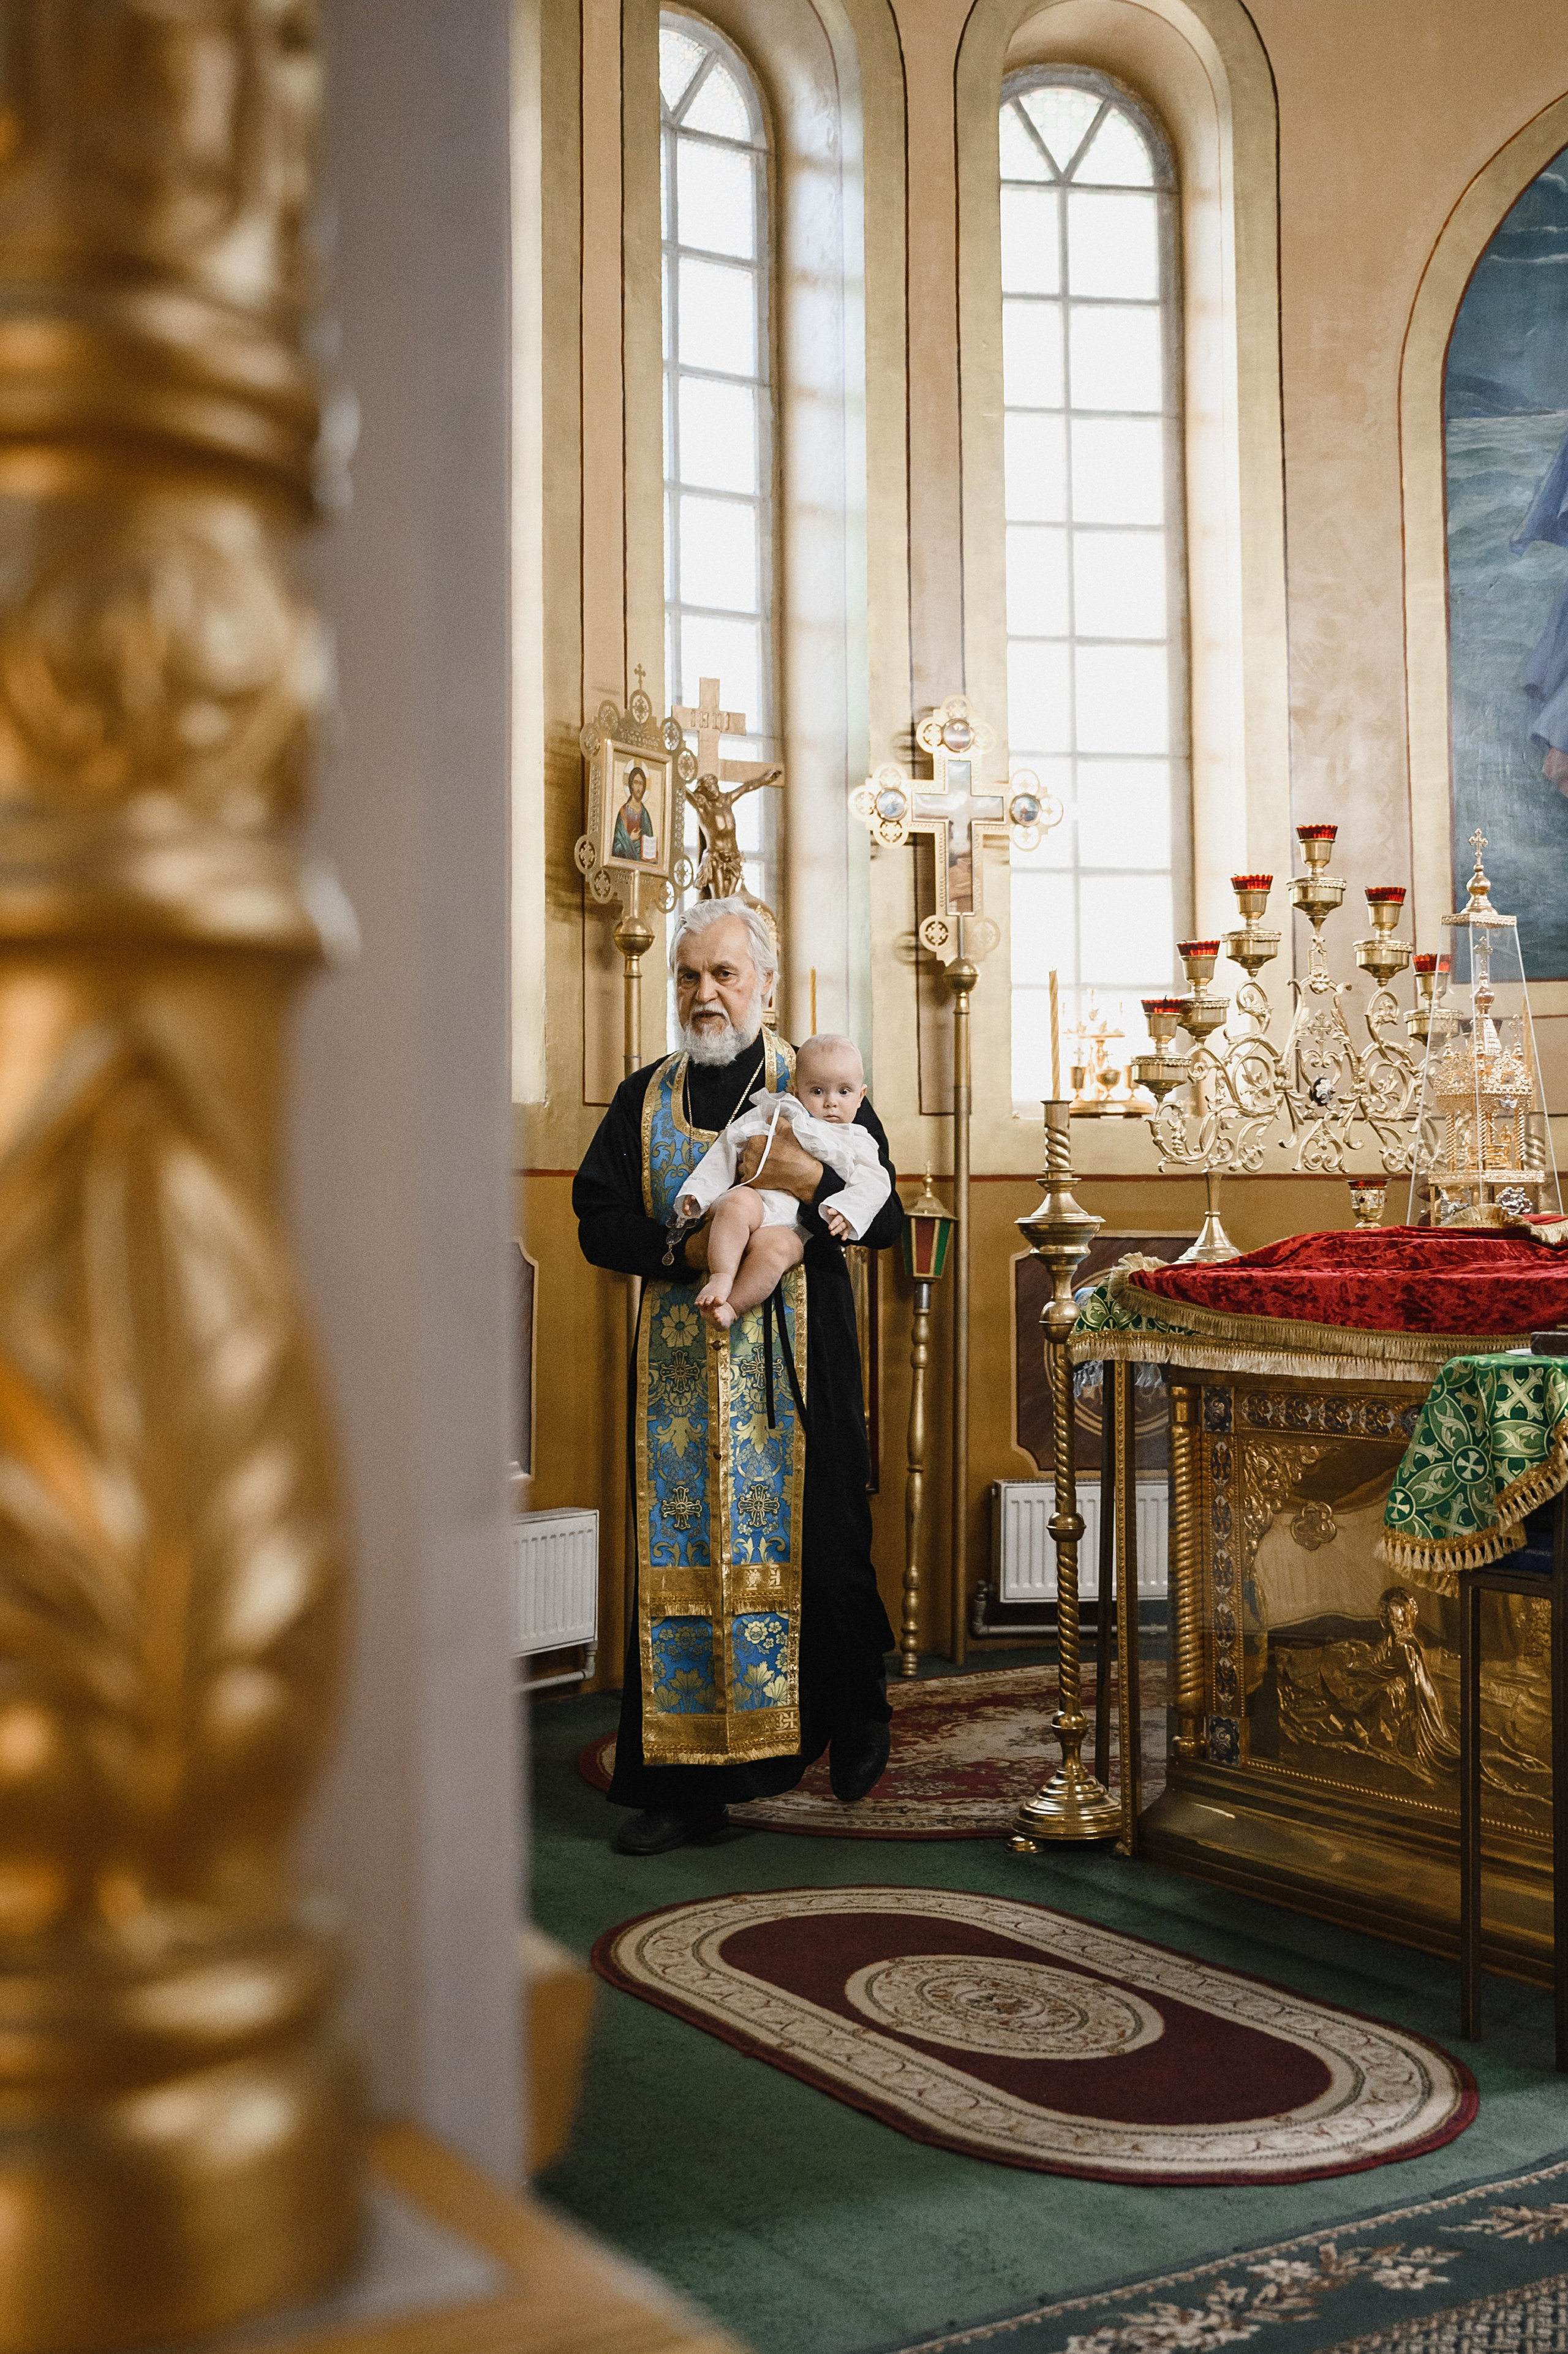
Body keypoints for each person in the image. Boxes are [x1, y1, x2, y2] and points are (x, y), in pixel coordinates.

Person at [573, 897, 902, 1855]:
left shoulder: (819, 1081)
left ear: (764, 979)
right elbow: (597, 1221)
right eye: (688, 976)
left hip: (799, 1369)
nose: (704, 994)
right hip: (679, 1379)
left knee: (826, 1544)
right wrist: (686, 1254)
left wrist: (806, 1210)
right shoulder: (644, 1095)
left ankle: (854, 1708)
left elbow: (883, 1215)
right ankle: (685, 1789)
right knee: (679, 1570)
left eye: (722, 973)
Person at [674, 1033, 891, 1330]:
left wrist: (847, 1208)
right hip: (758, 1201)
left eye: (844, 1092)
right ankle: (721, 1277)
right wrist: (699, 1191)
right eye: (817, 1091)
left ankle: (731, 1308)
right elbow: (729, 1145)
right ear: (796, 1090)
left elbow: (876, 1184)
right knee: (735, 1204)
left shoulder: (859, 1139)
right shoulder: (777, 1110)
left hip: (792, 1226)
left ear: (861, 1096)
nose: (831, 1103)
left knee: (775, 1252)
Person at [611, 764, 657, 861]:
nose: (639, 788)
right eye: (636, 783)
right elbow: (616, 850)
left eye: (641, 784)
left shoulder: (645, 814)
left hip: (643, 865)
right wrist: (630, 839)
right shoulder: (623, 812)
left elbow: (649, 848)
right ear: (631, 785)